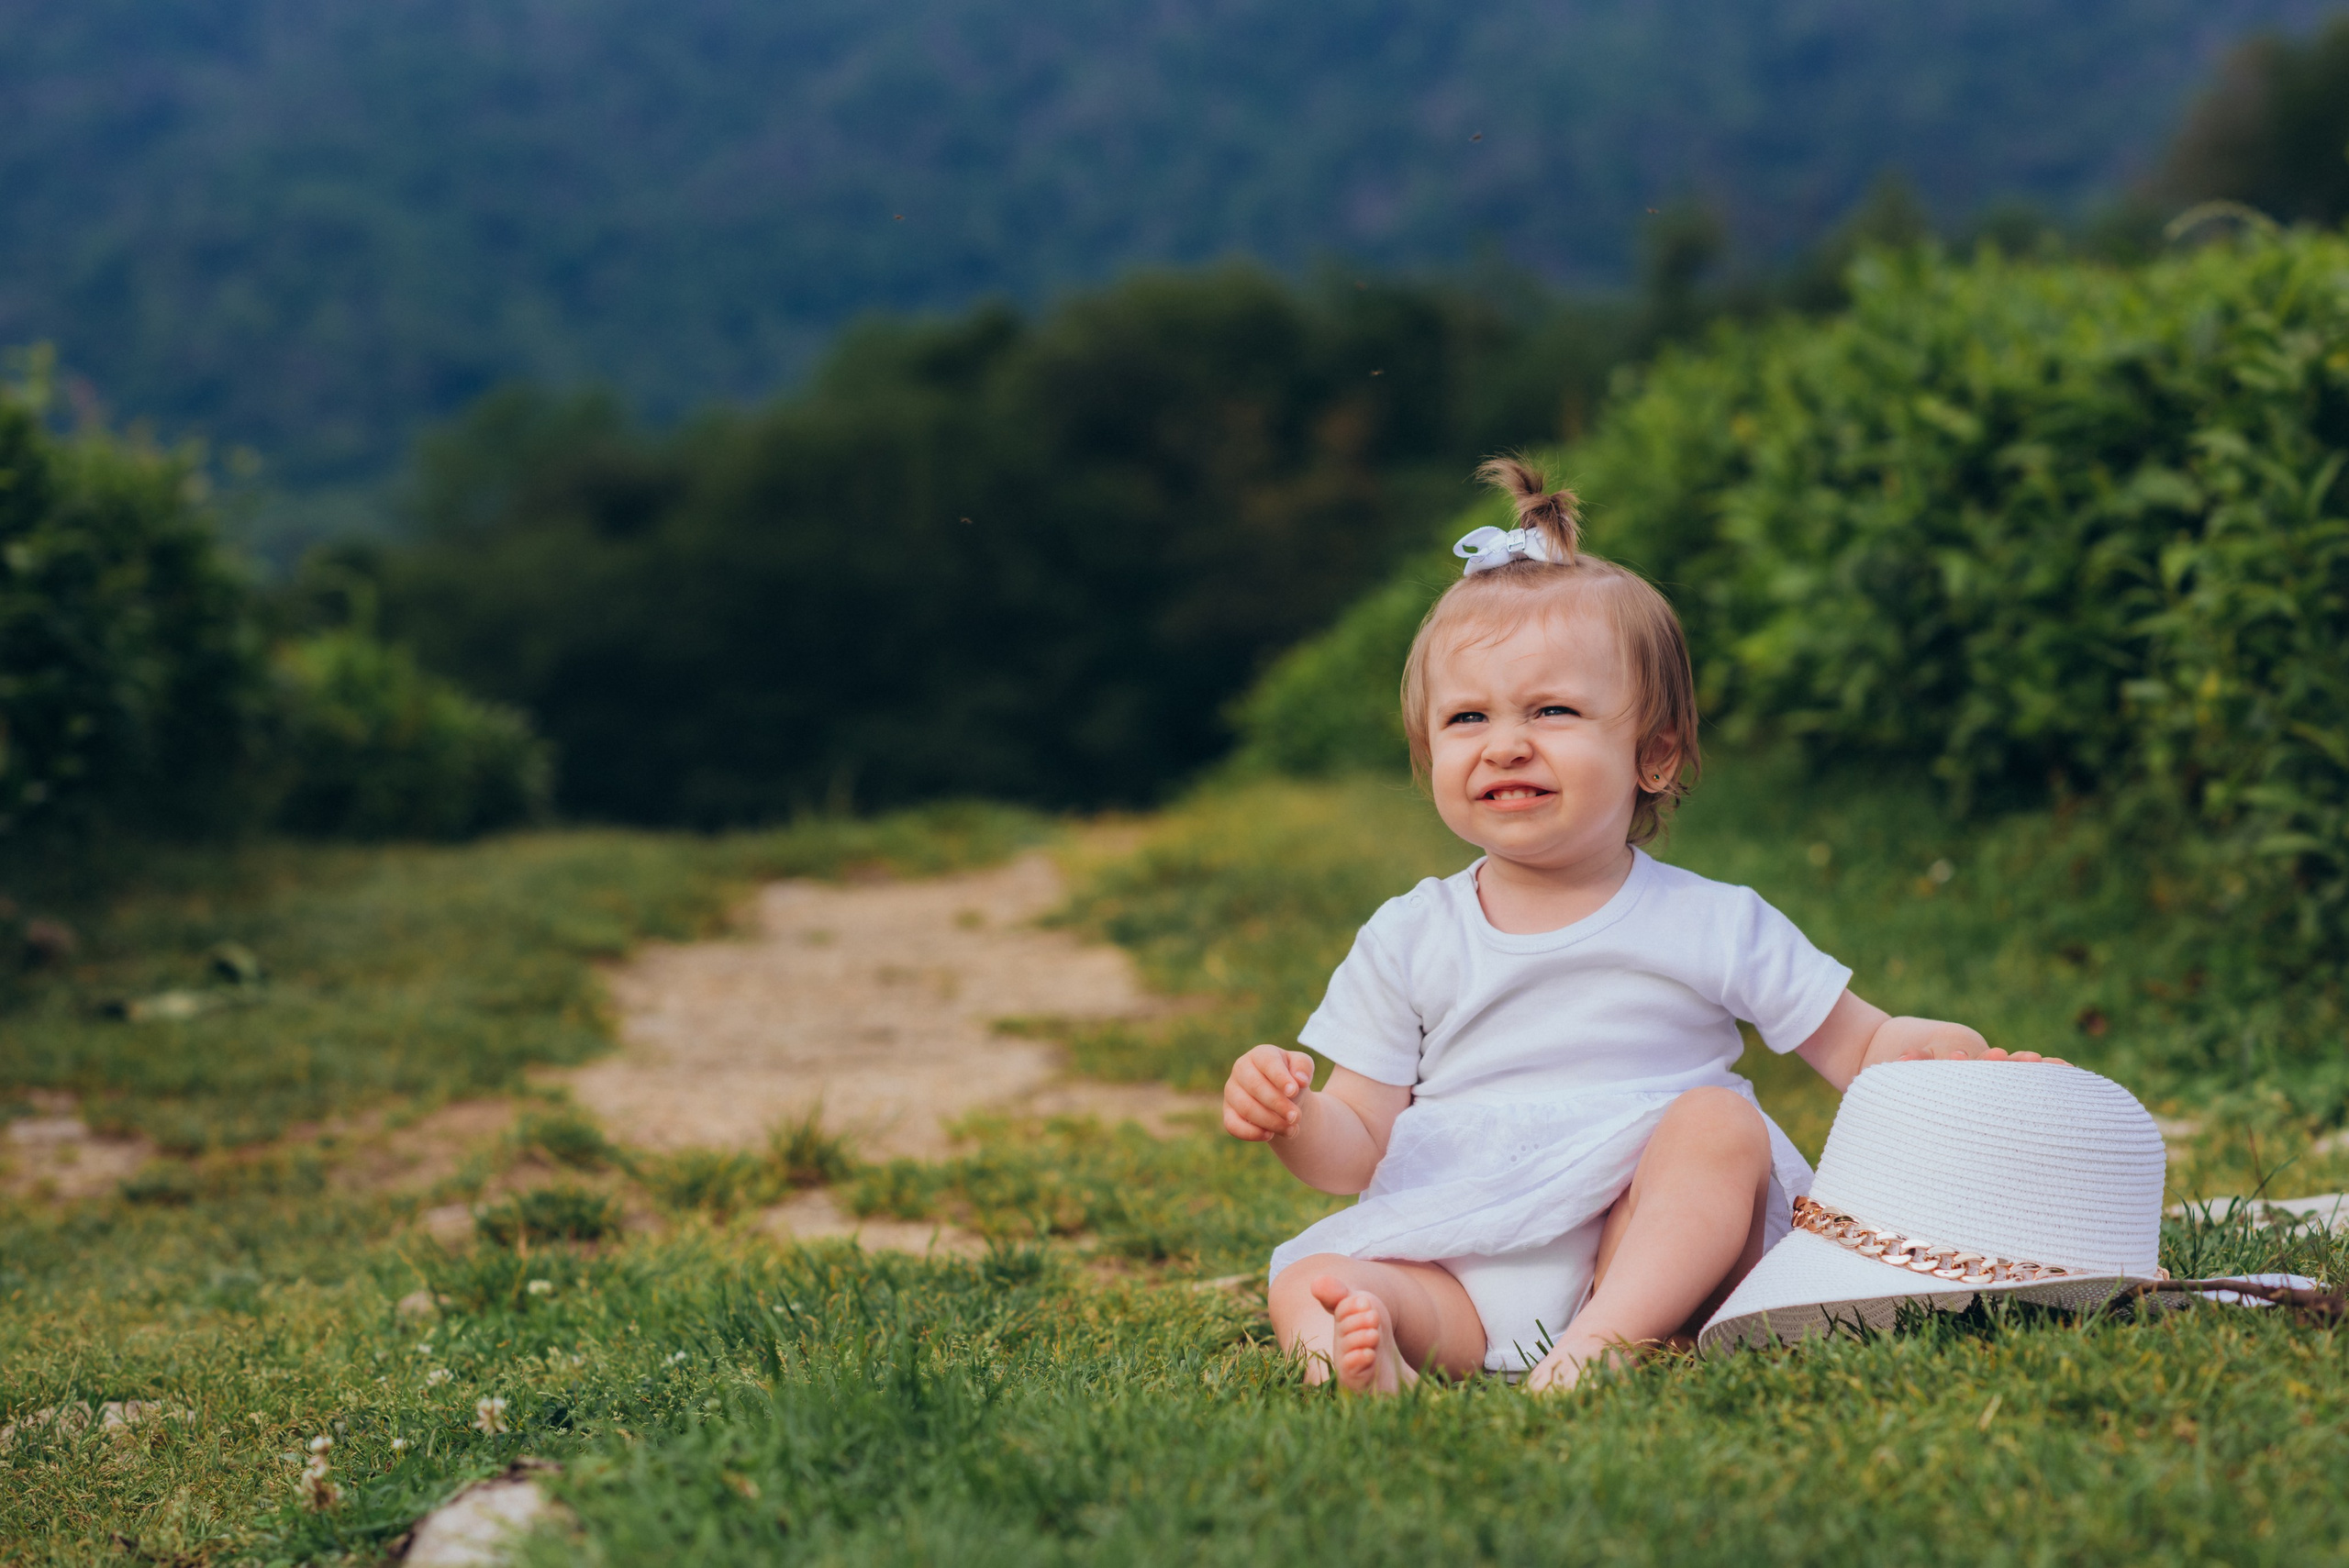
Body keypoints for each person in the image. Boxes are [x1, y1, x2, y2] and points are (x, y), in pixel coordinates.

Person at [1224, 457, 2062, 1395]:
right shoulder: (1409, 934)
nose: (1505, 741)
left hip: (1660, 1244)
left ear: (1653, 753)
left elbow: (1861, 1043)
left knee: (1715, 1120)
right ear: (1429, 755)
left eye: (1551, 710)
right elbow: (1356, 1147)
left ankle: (1606, 1339)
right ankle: (1371, 1365)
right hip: (1464, 1250)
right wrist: (1294, 1118)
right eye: (1467, 716)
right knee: (1311, 1277)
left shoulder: (1711, 921)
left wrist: (1944, 1055)